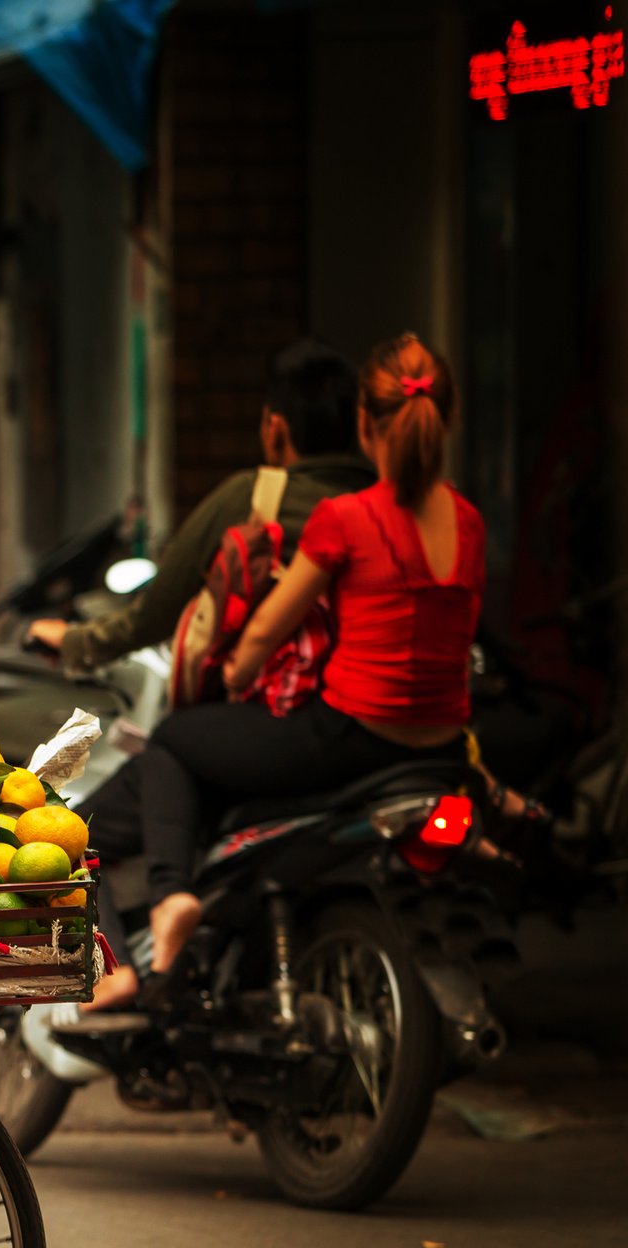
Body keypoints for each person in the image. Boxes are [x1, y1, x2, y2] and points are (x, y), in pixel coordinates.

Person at [81, 334, 484, 1004]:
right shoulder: (469, 520)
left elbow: (268, 626)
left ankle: (170, 898)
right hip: (441, 745)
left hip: (349, 737)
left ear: (366, 424)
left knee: (179, 739)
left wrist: (240, 672)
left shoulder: (347, 518)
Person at [30, 340, 373, 670]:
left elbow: (159, 610)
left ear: (275, 428)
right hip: (380, 702)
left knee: (175, 732)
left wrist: (78, 642)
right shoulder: (384, 501)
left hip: (289, 705)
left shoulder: (254, 496)